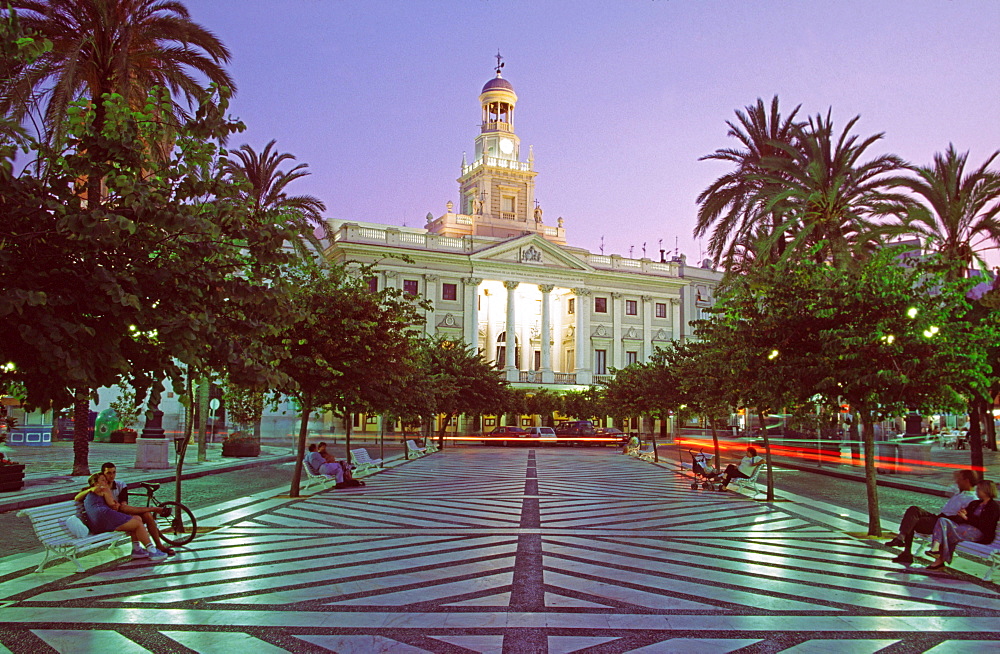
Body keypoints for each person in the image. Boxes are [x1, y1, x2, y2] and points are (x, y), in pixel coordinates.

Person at [76, 462, 175, 556]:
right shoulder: (99, 487)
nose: (112, 475)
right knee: (138, 520)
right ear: (103, 474)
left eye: (114, 472)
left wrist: (117, 506)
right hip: (109, 516)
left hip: (121, 511)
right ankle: (142, 548)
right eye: (108, 473)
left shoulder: (120, 485)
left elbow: (124, 506)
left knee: (145, 515)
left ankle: (158, 545)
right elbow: (78, 497)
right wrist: (91, 489)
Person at [886, 469, 978, 564]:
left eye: (959, 479)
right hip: (938, 518)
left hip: (943, 523)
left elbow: (967, 519)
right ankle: (901, 539)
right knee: (913, 510)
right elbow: (949, 489)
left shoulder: (972, 499)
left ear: (966, 481)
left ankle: (905, 550)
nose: (957, 481)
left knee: (911, 521)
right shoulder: (960, 493)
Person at [925, 479, 999, 571]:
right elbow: (964, 516)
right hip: (964, 529)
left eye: (979, 489)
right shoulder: (975, 503)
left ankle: (940, 559)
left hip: (980, 534)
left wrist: (967, 518)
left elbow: (985, 525)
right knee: (942, 520)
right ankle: (935, 549)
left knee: (947, 532)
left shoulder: (994, 507)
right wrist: (962, 513)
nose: (976, 491)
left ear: (986, 490)